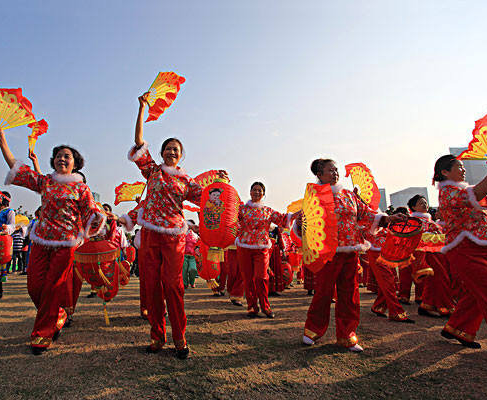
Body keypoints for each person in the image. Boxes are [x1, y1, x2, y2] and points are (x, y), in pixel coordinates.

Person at [115, 92, 226, 359]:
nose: (171, 152)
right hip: (150, 234)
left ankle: (179, 337)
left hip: (174, 238)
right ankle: (157, 336)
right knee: (151, 285)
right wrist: (142, 110)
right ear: (162, 153)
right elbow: (139, 142)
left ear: (180, 156)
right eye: (168, 149)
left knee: (173, 286)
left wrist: (220, 185)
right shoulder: (152, 171)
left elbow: (210, 199)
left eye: (176, 150)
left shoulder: (187, 182)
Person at [0, 124, 105, 355]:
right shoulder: (46, 182)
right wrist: (1, 139)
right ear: (53, 161)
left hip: (66, 244)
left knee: (53, 287)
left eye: (67, 156)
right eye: (59, 156)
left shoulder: (81, 188)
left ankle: (42, 334)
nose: (62, 159)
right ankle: (58, 314)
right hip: (41, 241)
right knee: (34, 286)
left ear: (75, 163)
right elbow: (17, 168)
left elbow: (91, 212)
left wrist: (98, 220)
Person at [299, 159, 406, 352]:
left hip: (350, 250)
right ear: (319, 175)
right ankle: (312, 331)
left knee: (350, 295)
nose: (335, 173)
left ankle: (347, 335)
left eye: (336, 170)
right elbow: (307, 221)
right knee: (323, 293)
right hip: (327, 253)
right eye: (330, 170)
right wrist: (300, 224)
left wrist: (388, 219)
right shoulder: (314, 196)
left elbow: (367, 215)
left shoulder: (349, 195)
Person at [434, 154, 487, 348]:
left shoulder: (458, 191)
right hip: (465, 250)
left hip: (477, 248)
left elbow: (475, 203)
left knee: (474, 293)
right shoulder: (448, 192)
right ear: (445, 172)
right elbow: (476, 195)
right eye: (458, 167)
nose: (463, 170)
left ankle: (458, 328)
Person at [236, 182, 297, 319]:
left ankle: (265, 306)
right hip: (244, 247)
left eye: (260, 190)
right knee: (247, 279)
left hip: (262, 248)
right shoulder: (241, 209)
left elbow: (282, 218)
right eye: (254, 190)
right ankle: (252, 307)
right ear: (250, 192)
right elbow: (229, 219)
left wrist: (298, 214)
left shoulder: (268, 211)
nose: (257, 192)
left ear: (263, 194)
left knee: (261, 277)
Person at [407, 194, 455, 318]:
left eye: (425, 202)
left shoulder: (430, 220)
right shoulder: (413, 221)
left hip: (437, 252)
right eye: (421, 203)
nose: (425, 205)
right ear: (413, 207)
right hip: (425, 253)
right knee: (440, 277)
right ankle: (445, 307)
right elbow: (413, 238)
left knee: (434, 279)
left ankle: (426, 305)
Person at [182, 219, 199, 290]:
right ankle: (185, 283)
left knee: (193, 269)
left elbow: (198, 244)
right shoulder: (183, 233)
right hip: (184, 254)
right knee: (184, 270)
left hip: (192, 256)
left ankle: (192, 282)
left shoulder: (196, 235)